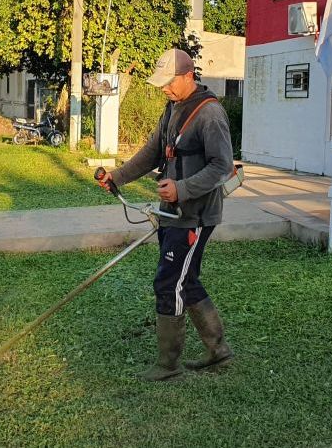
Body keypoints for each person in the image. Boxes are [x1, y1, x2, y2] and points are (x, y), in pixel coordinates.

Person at [98, 48, 234, 381]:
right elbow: (153, 152)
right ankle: (218, 351)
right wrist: (118, 176)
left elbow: (222, 166)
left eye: (170, 82)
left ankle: (169, 365)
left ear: (189, 76)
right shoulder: (173, 108)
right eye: (162, 84)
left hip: (196, 215)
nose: (165, 89)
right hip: (173, 213)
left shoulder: (210, 114)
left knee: (169, 282)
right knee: (186, 280)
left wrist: (182, 189)